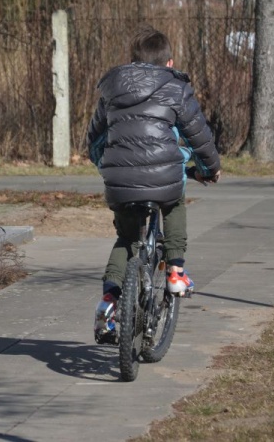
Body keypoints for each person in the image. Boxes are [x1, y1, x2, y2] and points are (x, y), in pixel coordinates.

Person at [86, 27, 221, 344]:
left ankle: (108, 303)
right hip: (164, 177)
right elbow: (198, 135)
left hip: (119, 180)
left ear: (133, 62)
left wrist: (106, 165)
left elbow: (94, 140)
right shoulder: (176, 88)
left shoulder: (113, 88)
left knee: (127, 238)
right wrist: (210, 169)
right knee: (174, 201)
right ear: (170, 62)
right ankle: (175, 270)